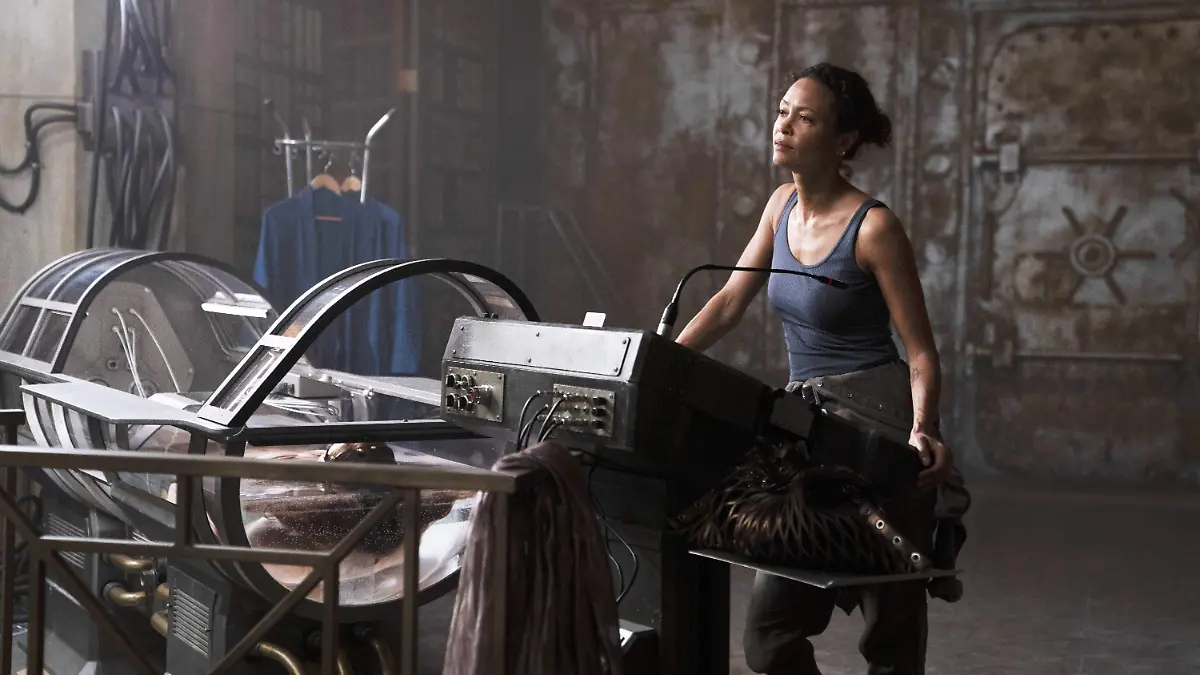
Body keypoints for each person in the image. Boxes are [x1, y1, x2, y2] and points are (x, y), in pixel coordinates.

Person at [675, 63, 958, 675]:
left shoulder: (874, 228)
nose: (784, 127)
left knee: (892, 640)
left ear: (843, 139)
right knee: (769, 639)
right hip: (808, 435)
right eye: (782, 112)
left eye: (804, 118)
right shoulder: (780, 207)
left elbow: (919, 350)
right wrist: (660, 360)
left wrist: (923, 428)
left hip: (880, 437)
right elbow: (728, 301)